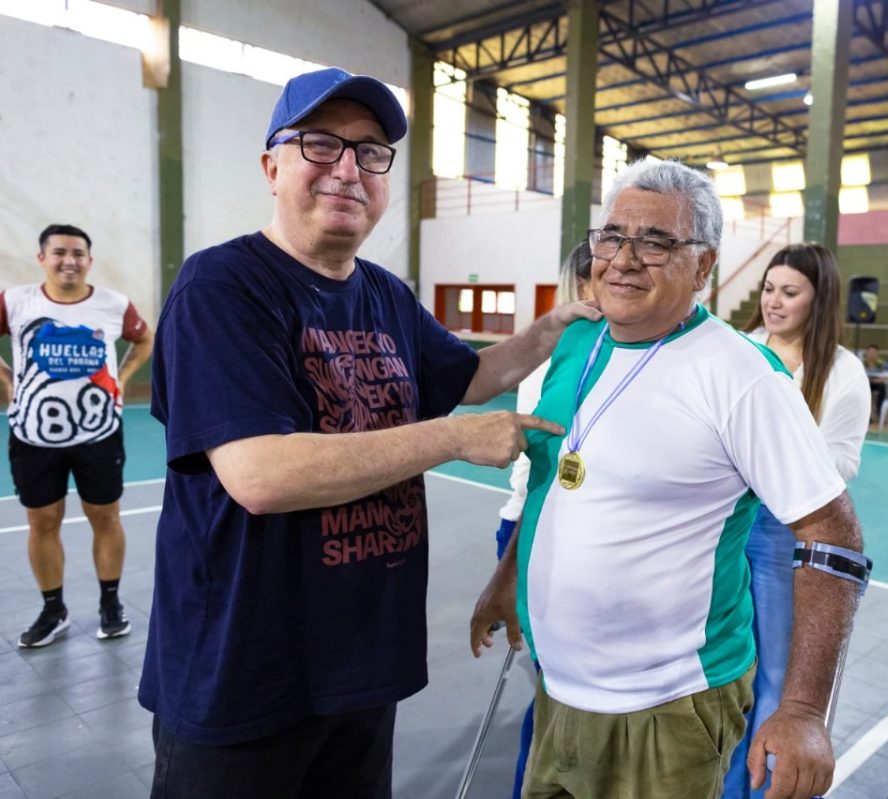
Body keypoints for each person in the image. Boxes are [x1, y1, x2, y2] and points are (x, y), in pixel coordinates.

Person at [138, 67, 598, 798]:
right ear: (272, 165)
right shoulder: (222, 287)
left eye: (372, 151)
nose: (349, 169)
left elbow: (465, 377)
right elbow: (262, 475)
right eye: (321, 145)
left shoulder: (385, 292)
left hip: (358, 666)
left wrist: (552, 327)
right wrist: (452, 440)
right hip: (245, 673)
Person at [470, 159, 866, 799]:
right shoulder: (579, 342)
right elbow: (558, 481)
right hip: (560, 688)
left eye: (655, 242)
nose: (623, 259)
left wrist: (800, 711)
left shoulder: (742, 377)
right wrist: (506, 578)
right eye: (611, 236)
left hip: (667, 708)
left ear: (704, 266)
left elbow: (835, 535)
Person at [724, 243, 872, 799]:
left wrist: (776, 454)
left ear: (818, 298)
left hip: (786, 537)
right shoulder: (739, 350)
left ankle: (754, 789)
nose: (774, 302)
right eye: (768, 289)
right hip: (726, 522)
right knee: (723, 657)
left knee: (777, 677)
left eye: (790, 293)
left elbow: (843, 463)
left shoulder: (843, 372)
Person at [0, 224, 154, 648]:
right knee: (42, 521)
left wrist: (120, 379)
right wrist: (9, 382)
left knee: (105, 517)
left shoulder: (112, 304)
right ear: (42, 258)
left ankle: (110, 603)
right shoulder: (16, 302)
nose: (69, 260)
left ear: (89, 259)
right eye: (59, 252)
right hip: (33, 435)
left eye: (78, 253)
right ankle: (54, 610)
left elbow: (144, 340)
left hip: (98, 432)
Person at [492, 241, 593, 799]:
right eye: (594, 282)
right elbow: (543, 475)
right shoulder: (558, 358)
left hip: (577, 531)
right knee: (554, 687)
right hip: (531, 526)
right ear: (579, 288)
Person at [861, 343, 888, 421]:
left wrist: (875, 380)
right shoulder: (860, 363)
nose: (872, 354)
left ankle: (880, 413)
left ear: (877, 354)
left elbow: (887, 377)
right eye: (870, 352)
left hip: (877, 384)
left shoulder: (884, 364)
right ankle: (866, 415)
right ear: (866, 353)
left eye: (874, 352)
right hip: (865, 384)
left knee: (882, 387)